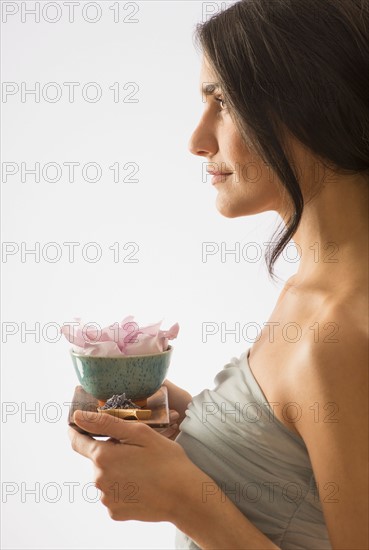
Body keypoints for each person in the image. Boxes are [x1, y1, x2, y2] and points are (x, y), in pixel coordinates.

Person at [68, 0, 368, 548]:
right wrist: (174, 416)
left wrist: (184, 502)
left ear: (311, 105)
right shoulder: (313, 290)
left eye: (223, 101)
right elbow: (291, 456)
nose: (196, 140)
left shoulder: (343, 329)